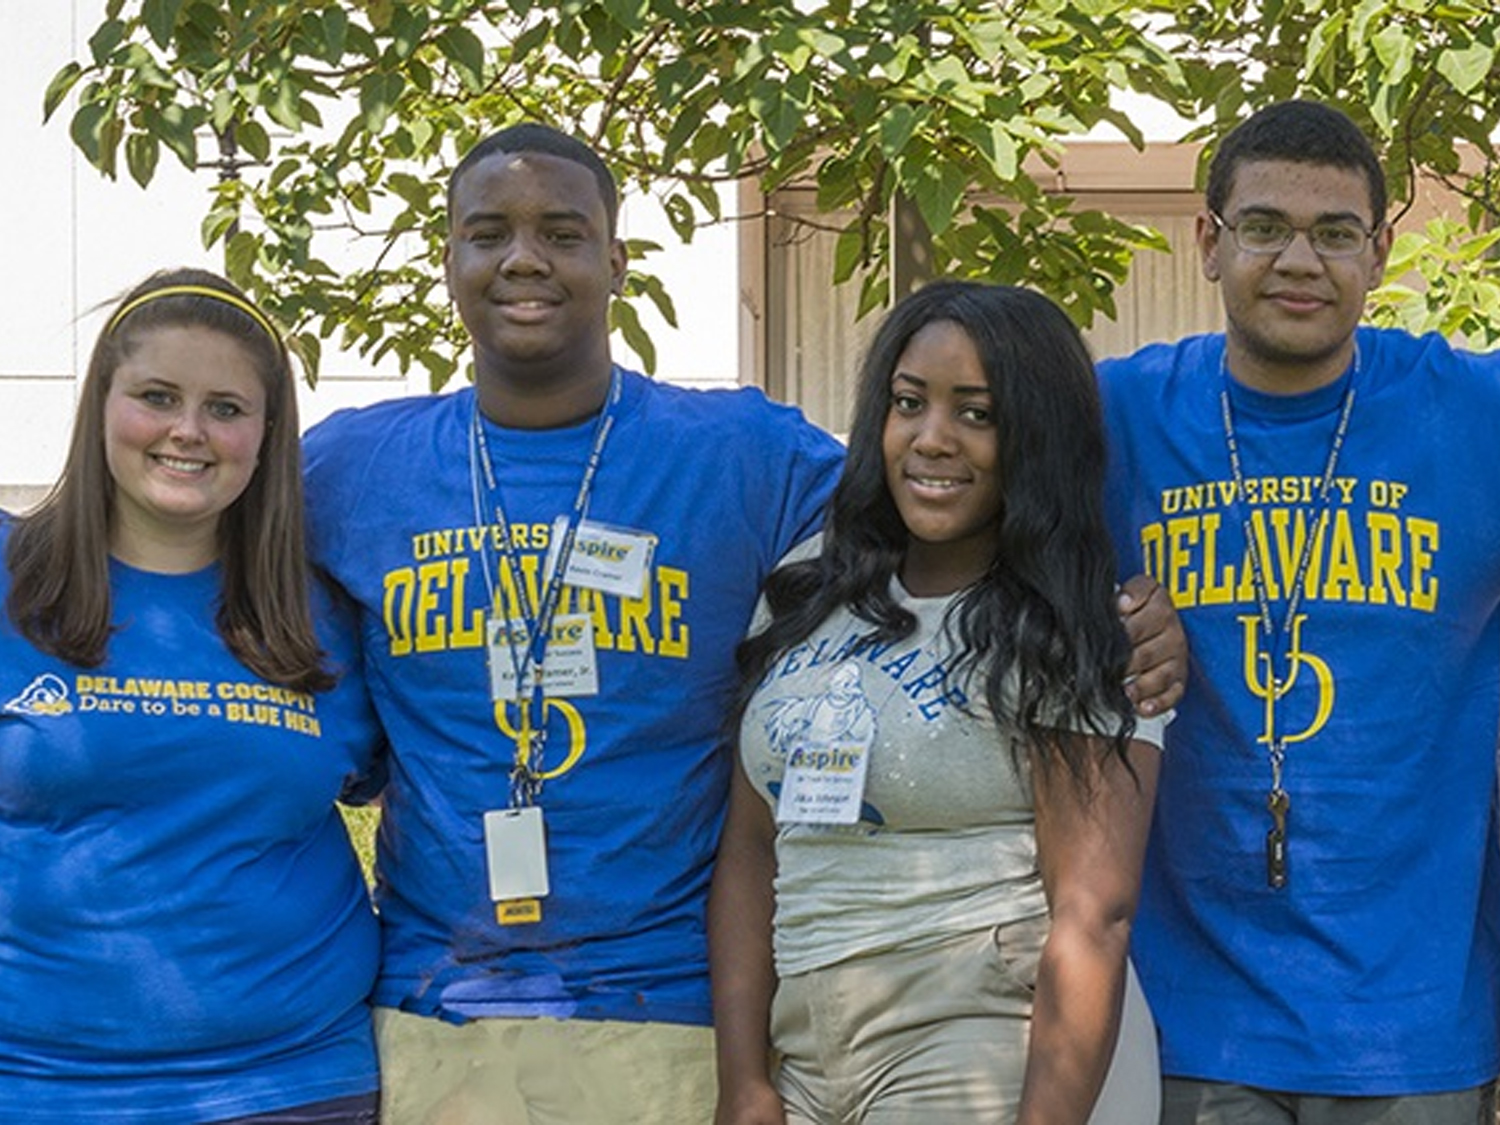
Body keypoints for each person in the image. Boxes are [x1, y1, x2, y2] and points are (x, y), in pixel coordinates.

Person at [301, 122, 1187, 1124]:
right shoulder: (342, 471)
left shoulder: (741, 456)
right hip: (438, 1014)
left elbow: (967, 500)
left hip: (674, 1017)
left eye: (562, 231)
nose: (523, 260)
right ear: (448, 258)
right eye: (487, 233)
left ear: (617, 261)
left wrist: (1130, 604)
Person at [1099, 99, 1500, 1123]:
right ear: (1207, 241)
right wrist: (1094, 616)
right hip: (1188, 1018)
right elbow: (932, 484)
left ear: (1380, 250)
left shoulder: (1470, 412)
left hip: (1415, 1030)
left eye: (1335, 234)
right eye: (1264, 227)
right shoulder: (1116, 416)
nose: (1299, 261)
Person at [710, 280, 1168, 1125]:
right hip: (809, 1050)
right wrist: (743, 1079)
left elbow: (1093, 911)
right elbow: (750, 847)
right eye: (908, 403)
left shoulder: (1074, 623)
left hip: (978, 1040)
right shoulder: (807, 588)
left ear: (1036, 435)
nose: (931, 439)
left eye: (977, 413)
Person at [0, 268, 385, 1124]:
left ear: (267, 433)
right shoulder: (10, 581)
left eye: (225, 406)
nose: (188, 430)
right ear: (101, 404)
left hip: (296, 1083)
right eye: (157, 395)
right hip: (36, 1086)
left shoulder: (326, 612)